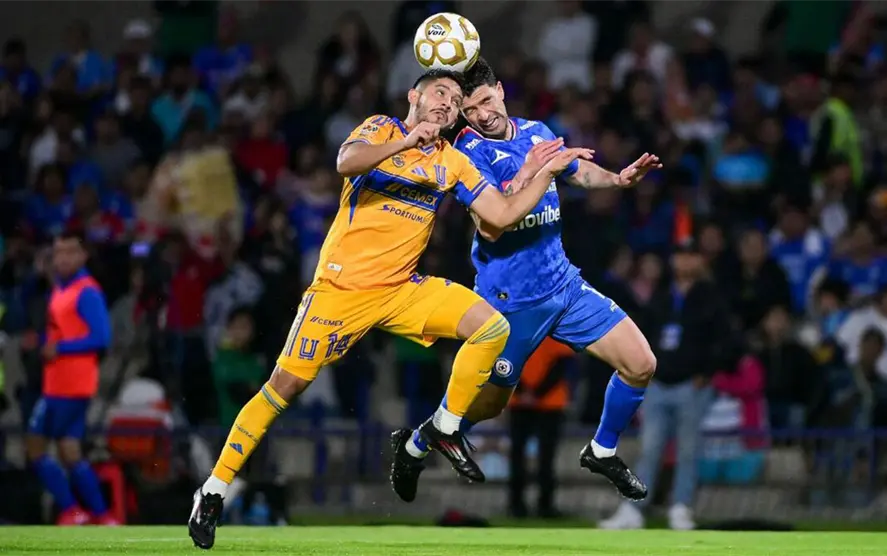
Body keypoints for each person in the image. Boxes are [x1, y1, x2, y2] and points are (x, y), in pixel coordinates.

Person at [188, 69, 591, 549]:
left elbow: (501, 215)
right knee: (284, 387)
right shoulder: (382, 128)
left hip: (401, 289)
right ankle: (214, 489)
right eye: (439, 92)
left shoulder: (451, 160)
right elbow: (346, 162)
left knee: (491, 328)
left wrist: (544, 173)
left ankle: (442, 428)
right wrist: (406, 142)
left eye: (454, 99)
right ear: (413, 96)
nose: (447, 102)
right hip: (340, 291)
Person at [391, 58, 660, 504]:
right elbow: (492, 225)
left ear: (500, 90)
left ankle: (602, 450)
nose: (481, 115)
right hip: (510, 302)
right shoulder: (467, 153)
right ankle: (417, 444)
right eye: (470, 110)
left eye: (485, 101)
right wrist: (532, 171)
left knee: (641, 363)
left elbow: (576, 171)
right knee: (490, 405)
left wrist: (617, 178)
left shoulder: (536, 131)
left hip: (564, 287)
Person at [26, 232, 114, 525]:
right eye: (58, 252)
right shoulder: (61, 289)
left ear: (83, 255)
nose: (62, 258)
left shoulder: (87, 292)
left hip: (71, 385)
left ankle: (72, 510)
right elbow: (61, 331)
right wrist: (41, 342)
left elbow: (102, 337)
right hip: (58, 383)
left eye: (69, 251)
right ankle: (102, 516)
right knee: (69, 450)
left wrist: (59, 348)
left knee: (36, 445)